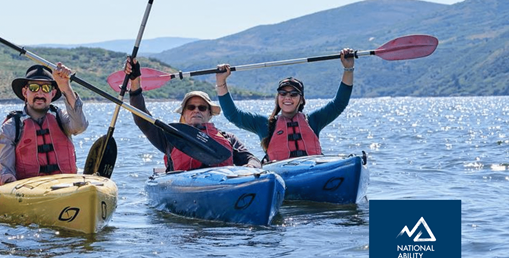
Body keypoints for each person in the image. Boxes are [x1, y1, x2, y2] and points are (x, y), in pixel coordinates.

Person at [216, 48, 356, 163]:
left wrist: (348, 69)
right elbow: (232, 114)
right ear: (278, 98)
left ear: (301, 100)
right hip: (281, 174)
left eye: (293, 94)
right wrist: (221, 82)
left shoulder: (314, 120)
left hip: (312, 171)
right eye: (283, 93)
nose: (287, 97)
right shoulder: (264, 124)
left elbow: (339, 103)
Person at [124, 58, 261, 172]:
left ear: (209, 114)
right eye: (191, 107)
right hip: (186, 187)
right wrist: (135, 81)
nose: (196, 110)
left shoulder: (228, 138)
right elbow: (142, 119)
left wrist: (250, 167)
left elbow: (251, 159)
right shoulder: (171, 138)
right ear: (183, 114)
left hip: (222, 185)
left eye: (202, 107)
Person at [0, 63, 89, 186]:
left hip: (66, 186)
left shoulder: (61, 118)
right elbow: (5, 169)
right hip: (30, 191)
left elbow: (80, 126)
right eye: (34, 88)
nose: (40, 93)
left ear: (53, 93)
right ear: (25, 92)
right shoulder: (10, 127)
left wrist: (65, 86)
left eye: (46, 88)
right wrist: (8, 181)